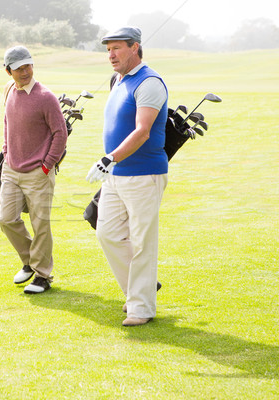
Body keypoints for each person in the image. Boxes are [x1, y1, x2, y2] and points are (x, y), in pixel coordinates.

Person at [86, 27, 169, 326]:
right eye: (108, 49)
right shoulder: (118, 80)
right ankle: (139, 291)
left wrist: (110, 158)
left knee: (143, 240)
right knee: (106, 233)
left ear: (135, 47)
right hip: (116, 174)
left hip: (144, 174)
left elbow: (142, 131)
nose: (110, 55)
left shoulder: (149, 82)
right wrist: (112, 163)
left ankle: (141, 307)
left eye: (116, 48)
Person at [0, 45, 68, 294]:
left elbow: (61, 133)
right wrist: (6, 152)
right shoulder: (8, 90)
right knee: (5, 218)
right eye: (18, 68)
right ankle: (29, 261)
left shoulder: (45, 97)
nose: (25, 71)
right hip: (11, 169)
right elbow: (7, 122)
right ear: (9, 72)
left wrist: (47, 165)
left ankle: (43, 276)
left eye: (27, 66)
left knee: (41, 224)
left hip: (39, 172)